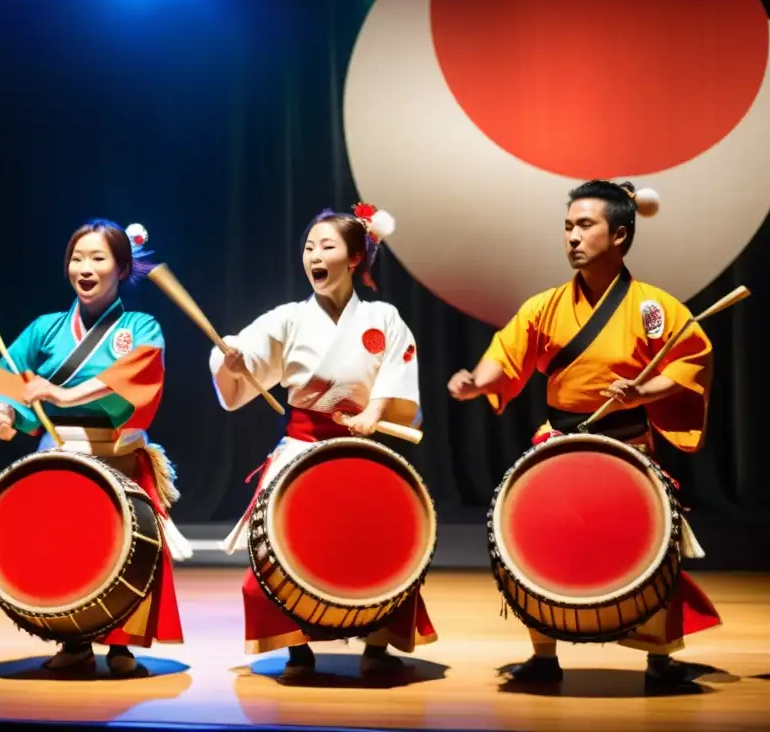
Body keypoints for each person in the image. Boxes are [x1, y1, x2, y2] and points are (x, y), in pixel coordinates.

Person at [447, 180, 721, 688]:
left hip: (628, 445)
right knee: (534, 539)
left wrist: (642, 392)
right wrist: (474, 382)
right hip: (562, 440)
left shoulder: (652, 308)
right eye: (568, 227)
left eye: (585, 225)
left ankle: (659, 658)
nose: (572, 237)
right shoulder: (545, 307)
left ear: (619, 235)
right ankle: (544, 655)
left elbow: (689, 363)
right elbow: (506, 357)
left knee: (654, 546)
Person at [210, 203, 437, 678]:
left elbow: (398, 375)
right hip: (302, 447)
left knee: (380, 544)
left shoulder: (383, 317)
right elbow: (245, 358)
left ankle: (378, 640)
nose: (314, 254)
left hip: (362, 445)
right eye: (309, 247)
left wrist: (374, 410)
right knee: (278, 549)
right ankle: (296, 644)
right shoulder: (290, 318)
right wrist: (232, 362)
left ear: (355, 258)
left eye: (326, 246)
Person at [0, 220, 189, 678]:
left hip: (117, 456)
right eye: (77, 258)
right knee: (66, 550)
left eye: (98, 258)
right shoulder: (45, 328)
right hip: (61, 457)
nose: (84, 268)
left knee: (129, 549)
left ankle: (121, 645)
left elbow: (138, 376)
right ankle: (73, 638)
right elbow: (12, 375)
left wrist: (65, 394)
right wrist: (5, 416)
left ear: (121, 267)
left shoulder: (140, 326)